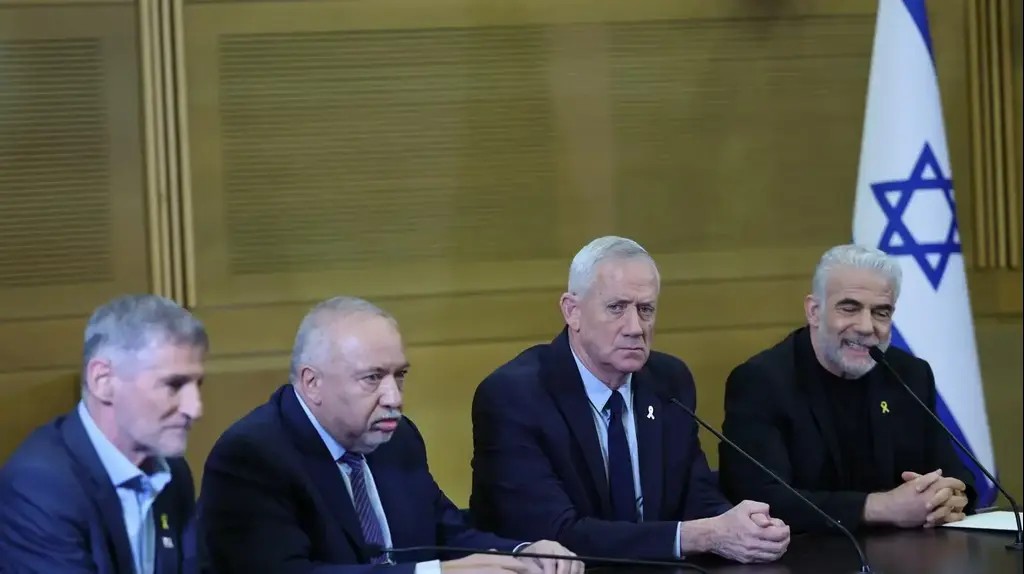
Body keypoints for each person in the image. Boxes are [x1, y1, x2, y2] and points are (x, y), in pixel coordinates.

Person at [198, 296, 583, 574]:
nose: (394, 398)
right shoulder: (253, 457)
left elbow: (448, 534)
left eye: (399, 375)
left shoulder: (397, 439)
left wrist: (523, 553)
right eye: (372, 378)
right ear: (312, 383)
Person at [470, 236, 791, 564]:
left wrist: (742, 527)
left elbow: (694, 495)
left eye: (645, 309)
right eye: (617, 308)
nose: (635, 328)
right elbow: (556, 535)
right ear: (572, 311)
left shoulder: (668, 381)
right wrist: (701, 535)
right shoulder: (514, 397)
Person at [719, 244, 974, 533]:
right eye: (849, 308)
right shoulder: (762, 382)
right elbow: (759, 497)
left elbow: (954, 473)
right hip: (805, 553)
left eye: (881, 312)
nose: (866, 327)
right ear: (814, 312)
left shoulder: (908, 374)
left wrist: (950, 496)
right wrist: (880, 507)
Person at [0, 294, 207, 574]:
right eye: (174, 385)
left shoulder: (172, 473)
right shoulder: (38, 486)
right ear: (103, 381)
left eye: (198, 385)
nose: (195, 408)